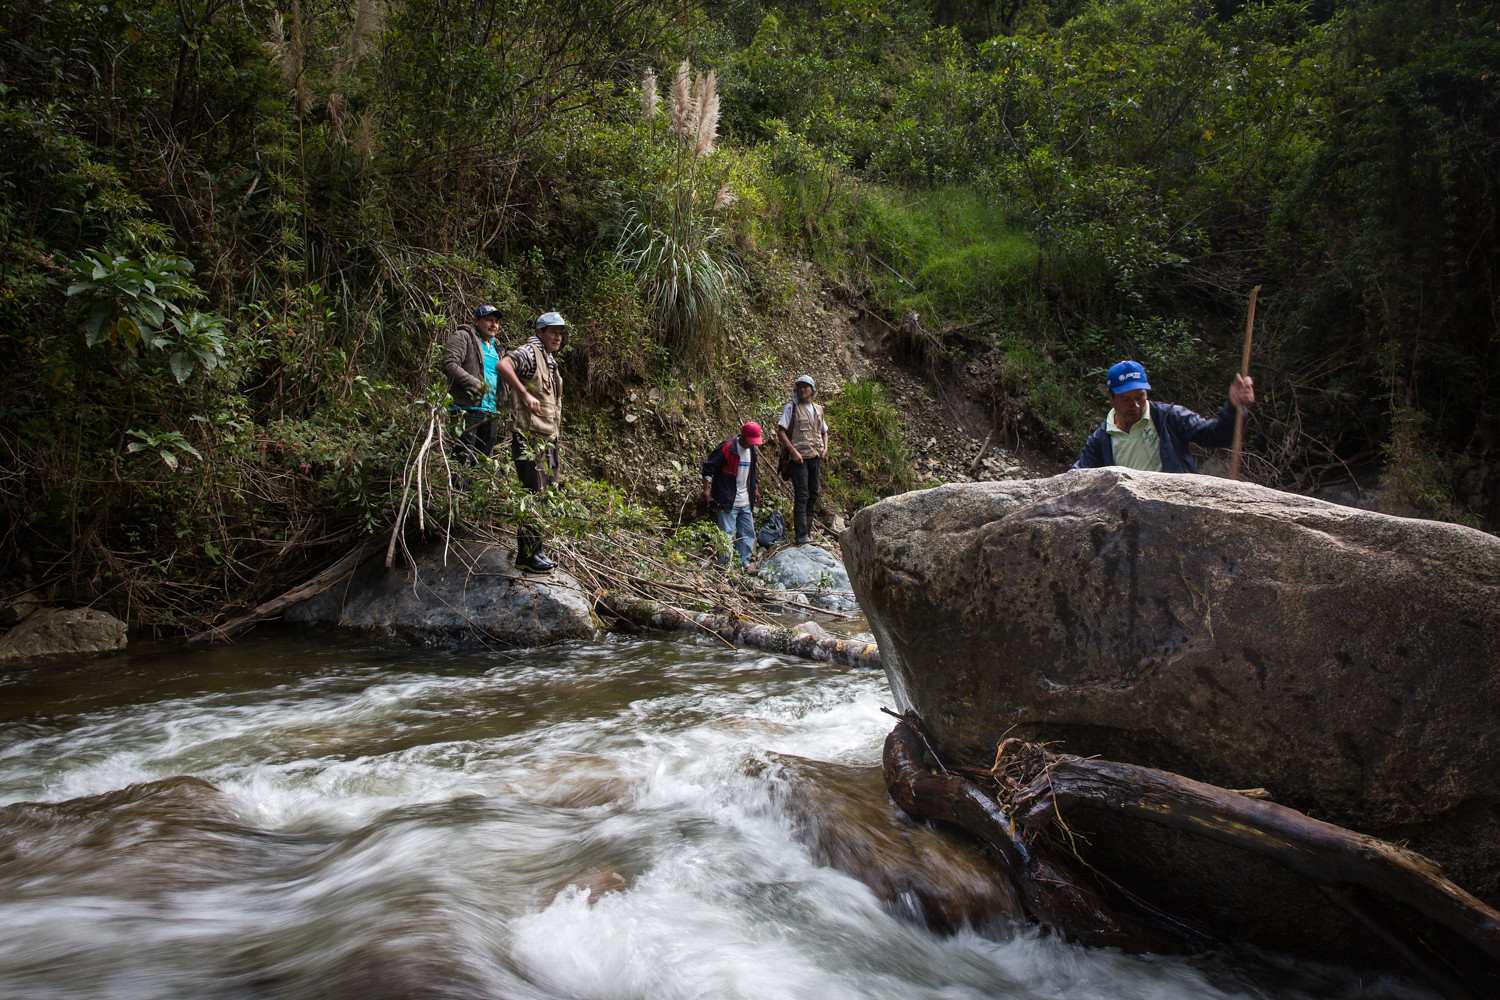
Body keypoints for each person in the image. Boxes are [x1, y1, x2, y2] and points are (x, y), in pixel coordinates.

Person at [1072, 360, 1255, 473]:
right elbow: (1078, 474)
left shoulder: (1170, 418)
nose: (1135, 405)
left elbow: (1217, 435)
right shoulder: (1102, 438)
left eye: (1140, 397)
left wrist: (1234, 408)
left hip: (1176, 512)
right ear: (1110, 397)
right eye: (1126, 400)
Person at [496, 311, 569, 573]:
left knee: (544, 494)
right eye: (552, 332)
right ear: (540, 332)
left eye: (560, 333)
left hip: (547, 438)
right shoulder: (529, 352)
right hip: (529, 438)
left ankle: (536, 549)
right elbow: (503, 365)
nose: (557, 337)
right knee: (532, 493)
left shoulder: (550, 361)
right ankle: (527, 554)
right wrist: (524, 393)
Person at [441, 304, 505, 466]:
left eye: (496, 322)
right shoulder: (463, 337)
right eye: (489, 320)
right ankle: (456, 490)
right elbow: (450, 364)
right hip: (467, 409)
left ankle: (472, 492)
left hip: (491, 411)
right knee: (463, 457)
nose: (494, 325)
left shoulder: (497, 347)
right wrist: (474, 383)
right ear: (476, 321)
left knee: (482, 461)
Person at [701, 422, 763, 568]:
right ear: (743, 436)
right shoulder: (727, 448)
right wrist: (706, 488)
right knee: (726, 535)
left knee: (747, 534)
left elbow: (752, 473)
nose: (752, 444)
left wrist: (755, 489)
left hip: (745, 500)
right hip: (727, 499)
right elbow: (708, 468)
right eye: (750, 441)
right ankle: (725, 567)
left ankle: (743, 565)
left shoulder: (752, 451)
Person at [776, 374, 829, 546]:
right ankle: (801, 536)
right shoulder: (791, 407)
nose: (802, 390)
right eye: (799, 387)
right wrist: (793, 452)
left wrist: (825, 448)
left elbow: (824, 431)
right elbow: (781, 432)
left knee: (813, 494)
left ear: (812, 390)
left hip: (815, 457)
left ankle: (807, 533)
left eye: (805, 387)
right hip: (798, 460)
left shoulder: (818, 409)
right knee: (802, 495)